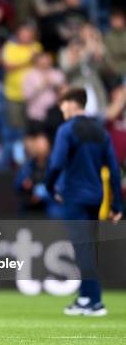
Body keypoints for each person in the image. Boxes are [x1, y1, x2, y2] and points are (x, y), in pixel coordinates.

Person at [45, 88, 122, 316]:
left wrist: (49, 186)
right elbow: (114, 169)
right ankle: (85, 297)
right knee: (89, 247)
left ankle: (95, 301)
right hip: (96, 196)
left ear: (71, 103)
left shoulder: (66, 130)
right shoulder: (100, 131)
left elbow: (57, 163)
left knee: (83, 248)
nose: (62, 111)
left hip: (75, 196)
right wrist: (117, 205)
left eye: (62, 106)